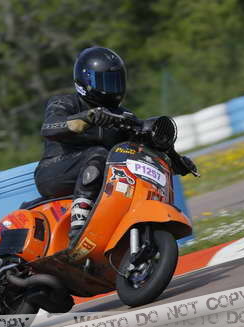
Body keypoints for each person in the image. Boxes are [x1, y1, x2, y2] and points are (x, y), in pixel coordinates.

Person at [34, 46, 197, 242]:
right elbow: (49, 127)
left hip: (99, 175)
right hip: (54, 171)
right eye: (106, 82)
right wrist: (87, 118)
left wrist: (175, 160)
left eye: (115, 81)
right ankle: (79, 224)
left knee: (129, 158)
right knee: (98, 154)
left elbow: (145, 147)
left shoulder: (123, 116)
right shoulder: (64, 102)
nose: (112, 88)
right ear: (86, 81)